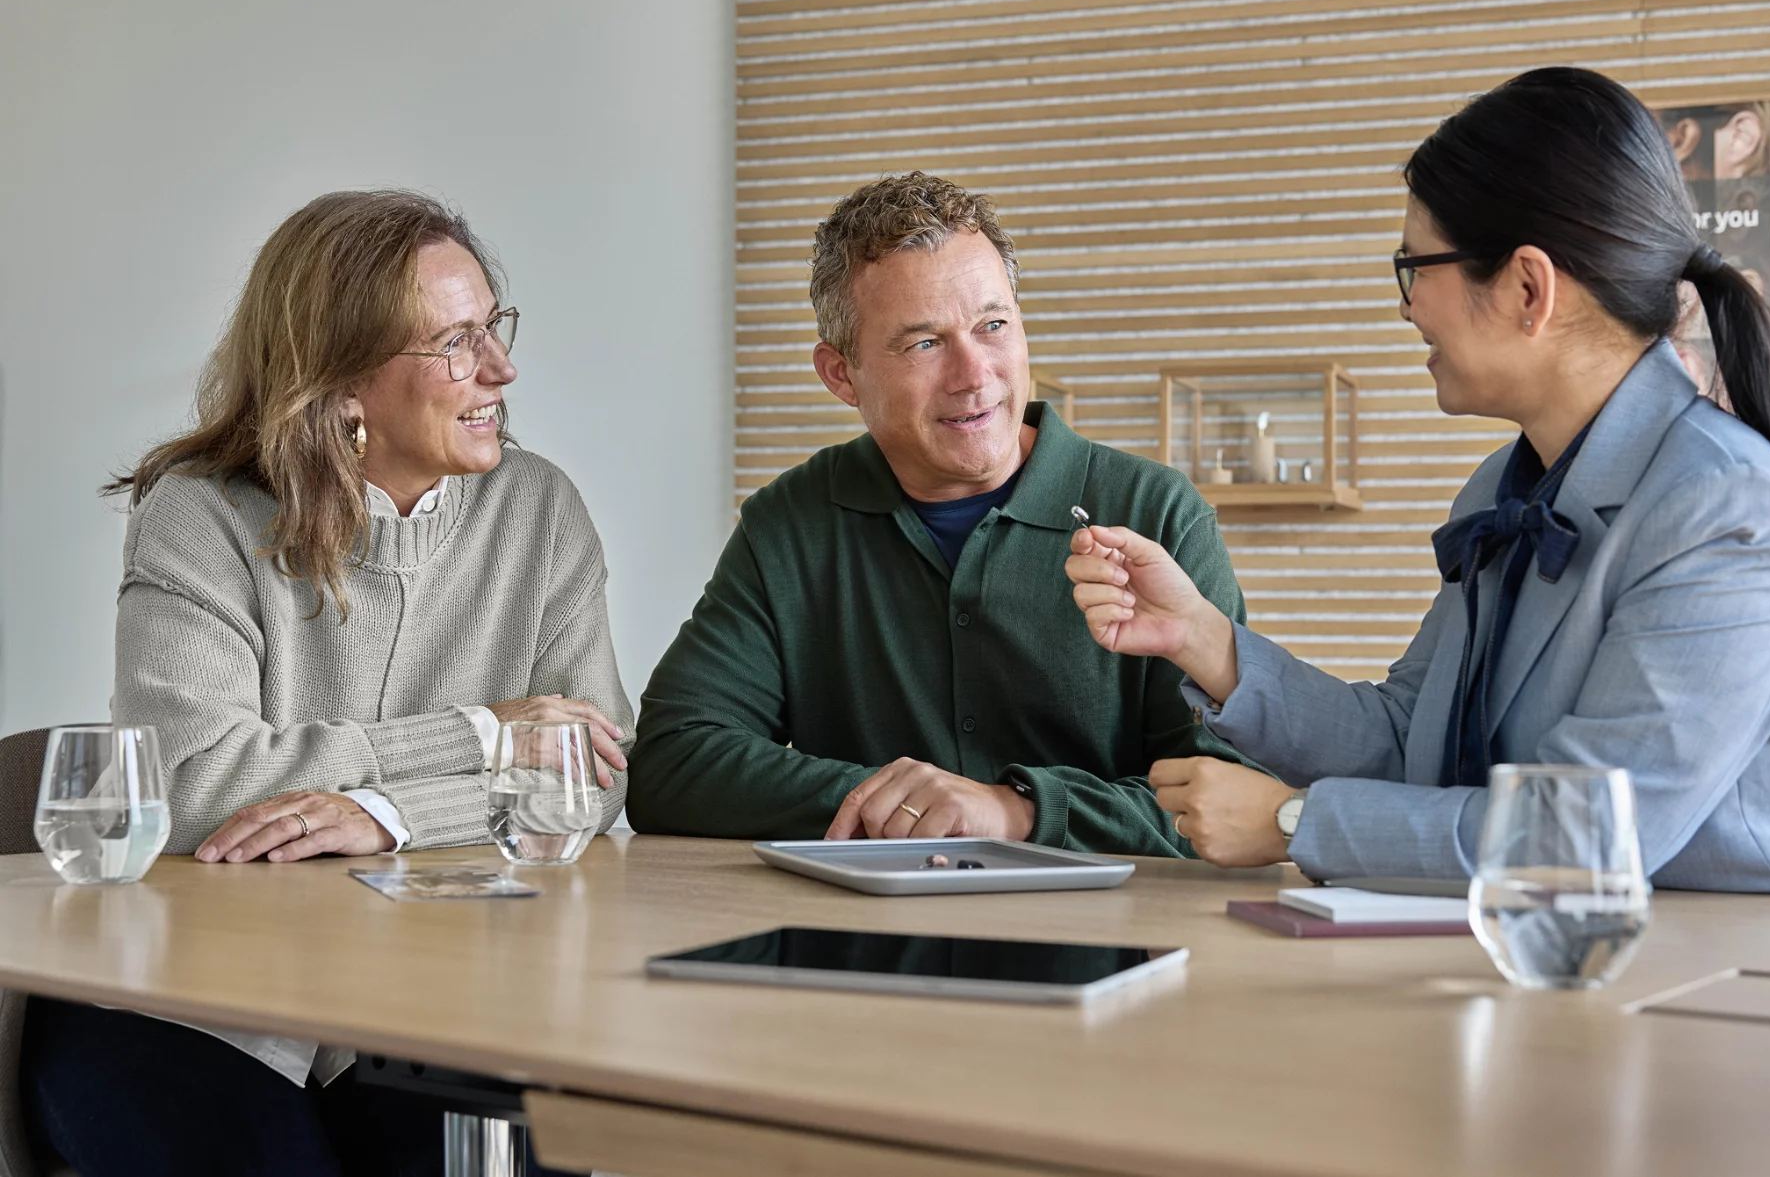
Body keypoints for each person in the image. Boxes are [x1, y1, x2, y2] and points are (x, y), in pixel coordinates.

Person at [1065, 68, 1770, 898]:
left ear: (1528, 286)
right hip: (1551, 963)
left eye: (1416, 266)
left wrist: (1293, 822)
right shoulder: (1503, 490)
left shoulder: (1727, 505)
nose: (1407, 306)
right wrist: (1201, 636)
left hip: (1735, 990)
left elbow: (1587, 836)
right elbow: (1410, 736)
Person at [24, 191, 629, 1176]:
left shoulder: (538, 510)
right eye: (456, 342)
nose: (501, 370)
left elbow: (589, 777)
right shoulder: (200, 514)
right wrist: (480, 736)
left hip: (429, 1008)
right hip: (189, 1007)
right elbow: (187, 784)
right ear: (345, 384)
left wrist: (384, 814)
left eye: (495, 328)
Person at [630, 172, 1257, 854]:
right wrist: (905, 804)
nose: (974, 374)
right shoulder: (789, 524)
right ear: (841, 374)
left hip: (1102, 941)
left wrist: (1014, 810)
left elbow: (1229, 802)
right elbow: (672, 763)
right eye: (924, 343)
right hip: (860, 946)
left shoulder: (1158, 513)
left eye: (993, 325)